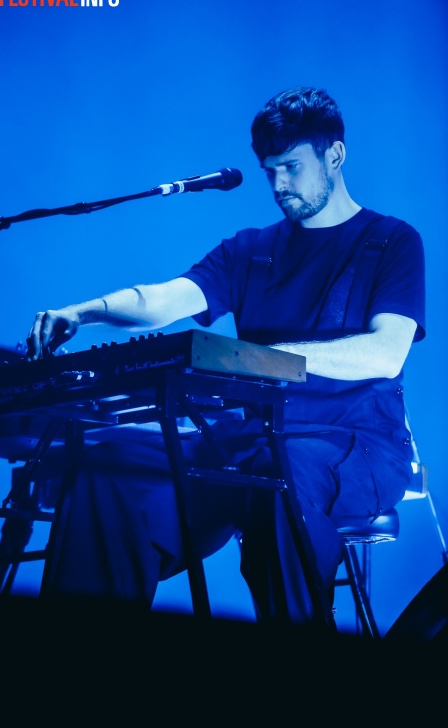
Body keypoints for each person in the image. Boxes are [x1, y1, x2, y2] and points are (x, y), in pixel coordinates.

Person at [26, 87, 425, 626]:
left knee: (281, 472)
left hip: (352, 441)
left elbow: (387, 352)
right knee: (108, 462)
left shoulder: (391, 241)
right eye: (269, 171)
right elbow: (163, 298)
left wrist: (266, 356)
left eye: (291, 167)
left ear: (335, 156)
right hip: (248, 440)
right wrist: (85, 311)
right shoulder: (250, 249)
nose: (279, 185)